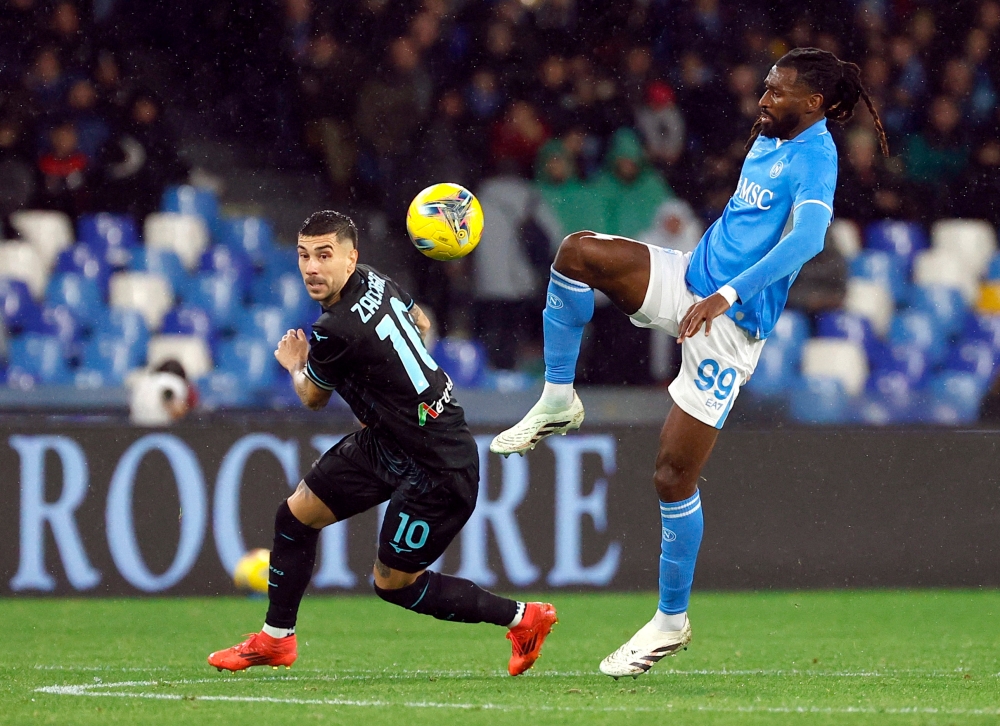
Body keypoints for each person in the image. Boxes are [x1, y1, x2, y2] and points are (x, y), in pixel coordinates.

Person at [490, 48, 888, 679]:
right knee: (576, 254)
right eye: (765, 86)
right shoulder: (770, 132)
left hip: (730, 323)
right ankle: (559, 395)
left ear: (813, 104)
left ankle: (671, 621)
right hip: (688, 280)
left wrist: (727, 296)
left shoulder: (817, 155)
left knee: (672, 477)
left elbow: (809, 239)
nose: (763, 98)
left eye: (778, 92)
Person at [208, 211, 557, 676]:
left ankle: (523, 618)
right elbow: (421, 321)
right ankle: (276, 640)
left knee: (393, 584)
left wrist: (295, 362)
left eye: (325, 255)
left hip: (438, 465)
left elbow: (312, 398)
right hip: (390, 441)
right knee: (295, 515)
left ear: (351, 258)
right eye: (304, 256)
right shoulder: (374, 280)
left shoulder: (334, 329)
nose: (312, 268)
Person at [129, 359, 193, 426]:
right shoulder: (174, 382)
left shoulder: (144, 381)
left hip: (136, 427)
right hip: (161, 428)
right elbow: (168, 397)